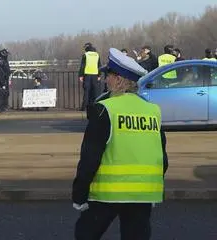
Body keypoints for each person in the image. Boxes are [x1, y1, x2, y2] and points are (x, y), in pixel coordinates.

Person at [72, 48, 169, 240]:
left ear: (118, 80)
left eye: (108, 75)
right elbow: (162, 158)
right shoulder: (152, 111)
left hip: (107, 194)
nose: (105, 80)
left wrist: (79, 194)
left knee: (85, 234)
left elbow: (90, 158)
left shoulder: (105, 109)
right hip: (143, 194)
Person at [78, 42, 102, 113]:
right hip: (95, 75)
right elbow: (99, 65)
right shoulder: (97, 55)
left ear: (86, 48)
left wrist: (80, 75)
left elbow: (82, 66)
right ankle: (96, 107)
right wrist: (99, 75)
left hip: (87, 75)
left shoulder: (85, 55)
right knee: (95, 92)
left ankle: (84, 107)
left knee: (86, 92)